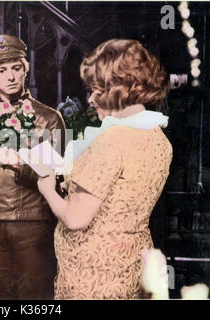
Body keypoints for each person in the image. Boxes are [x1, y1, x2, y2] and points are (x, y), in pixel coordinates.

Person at [37, 39, 173, 299]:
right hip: (131, 265)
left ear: (118, 88)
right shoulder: (158, 136)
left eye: (96, 90)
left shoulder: (111, 139)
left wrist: (47, 189)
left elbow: (76, 218)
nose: (90, 99)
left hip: (93, 275)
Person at [0, 34, 66, 299]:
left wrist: (19, 162)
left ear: (26, 70)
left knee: (33, 299)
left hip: (31, 222)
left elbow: (58, 177)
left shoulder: (49, 117)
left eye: (16, 68)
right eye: (2, 70)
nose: (10, 76)